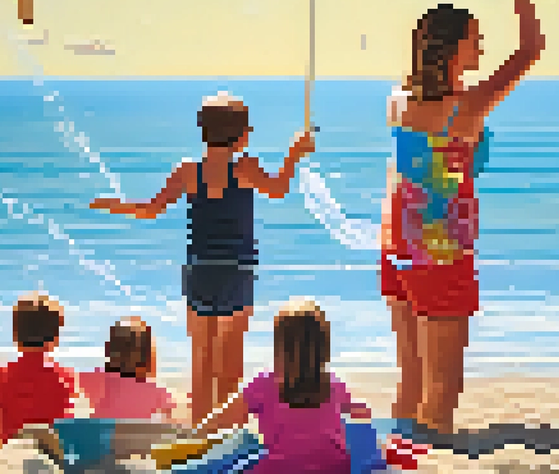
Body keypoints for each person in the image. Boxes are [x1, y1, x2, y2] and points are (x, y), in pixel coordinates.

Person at [381, 0, 544, 433]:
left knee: (411, 376)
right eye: (476, 38)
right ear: (454, 49)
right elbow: (531, 48)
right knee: (443, 386)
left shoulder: (398, 100)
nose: (482, 46)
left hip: (396, 247)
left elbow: (405, 172)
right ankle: (427, 454)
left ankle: (399, 453)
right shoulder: (466, 106)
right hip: (441, 252)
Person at [91, 93, 314, 427]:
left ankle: (199, 431)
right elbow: (279, 189)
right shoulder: (245, 167)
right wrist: (294, 153)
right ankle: (225, 435)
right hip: (237, 272)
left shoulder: (188, 171)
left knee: (202, 363)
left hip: (199, 272)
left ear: (202, 132)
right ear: (242, 135)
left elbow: (150, 209)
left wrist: (115, 205)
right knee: (230, 365)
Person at [201, 299, 371, 473]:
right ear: (324, 347)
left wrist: (197, 431)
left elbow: (220, 421)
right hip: (334, 469)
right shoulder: (334, 385)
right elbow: (362, 412)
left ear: (279, 346)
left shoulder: (264, 384)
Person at [0, 293, 77, 443]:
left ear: (15, 336)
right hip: (51, 447)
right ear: (56, 337)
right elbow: (67, 420)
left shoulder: (3, 375)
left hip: (12, 447)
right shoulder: (66, 377)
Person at [78, 316, 176, 422]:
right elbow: (167, 426)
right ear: (148, 356)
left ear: (108, 350)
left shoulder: (93, 380)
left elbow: (71, 385)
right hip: (138, 438)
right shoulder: (160, 395)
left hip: (98, 437)